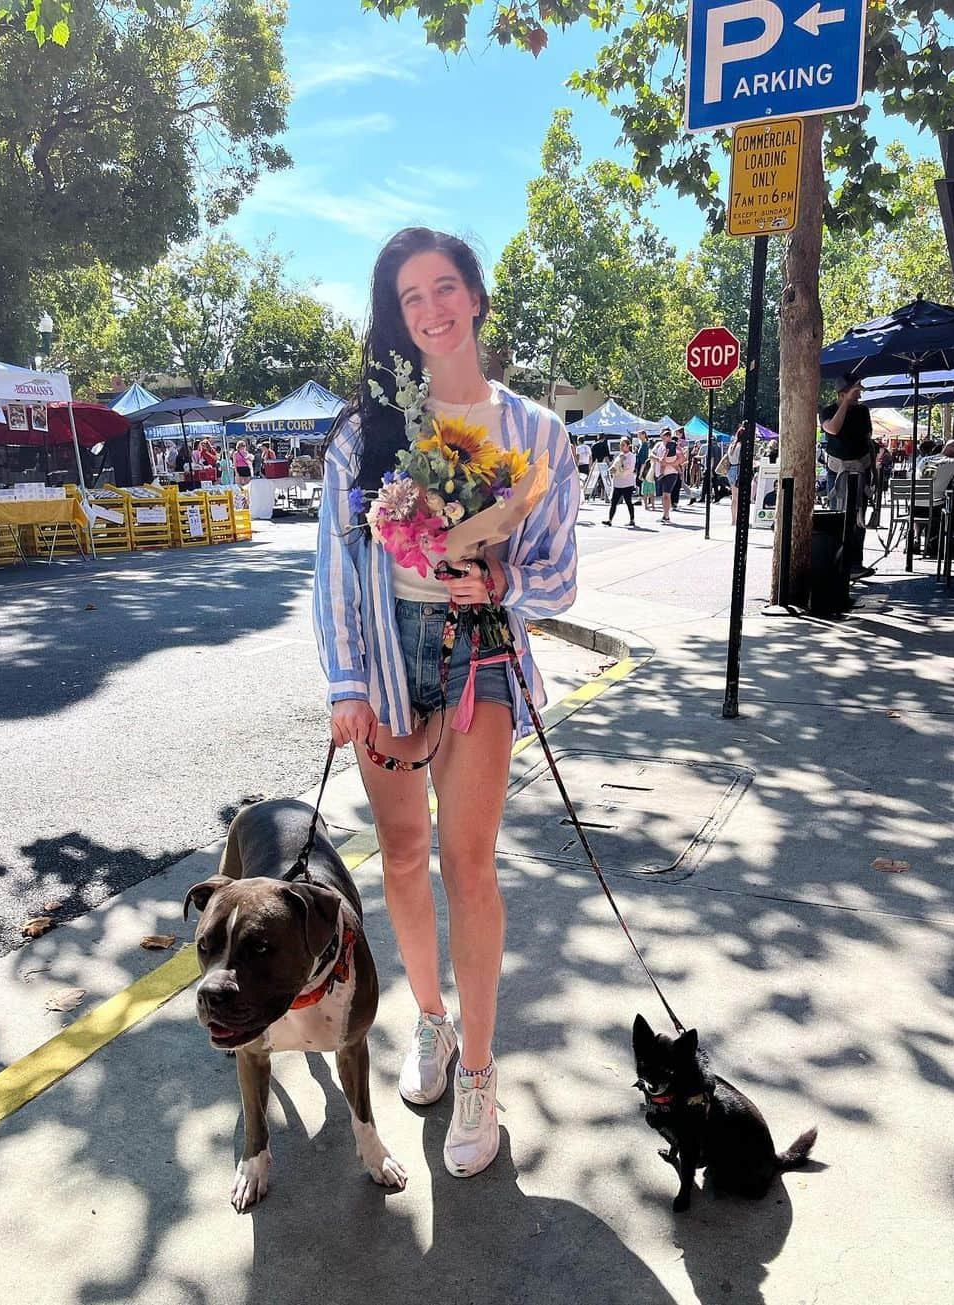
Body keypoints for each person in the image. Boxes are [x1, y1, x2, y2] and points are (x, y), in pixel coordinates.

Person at [314, 226, 579, 1179]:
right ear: (396, 316)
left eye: (444, 288)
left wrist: (501, 578)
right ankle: (427, 1023)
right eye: (408, 297)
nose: (430, 310)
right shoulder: (367, 433)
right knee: (398, 855)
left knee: (469, 865)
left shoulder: (537, 435)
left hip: (483, 659)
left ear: (475, 296)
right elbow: (338, 572)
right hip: (390, 661)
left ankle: (478, 1069)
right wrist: (345, 683)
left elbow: (559, 576)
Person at [820, 378, 876, 572]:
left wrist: (874, 469)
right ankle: (836, 563)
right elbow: (833, 429)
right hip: (837, 470)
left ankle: (855, 563)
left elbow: (868, 439)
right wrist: (845, 403)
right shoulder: (827, 411)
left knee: (859, 516)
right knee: (837, 515)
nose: (858, 397)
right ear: (841, 394)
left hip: (862, 467)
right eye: (854, 394)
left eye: (858, 394)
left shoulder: (862, 411)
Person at [651, 433, 684, 523]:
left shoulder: (674, 445)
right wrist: (658, 459)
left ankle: (666, 516)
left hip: (671, 473)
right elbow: (651, 455)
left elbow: (682, 458)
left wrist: (669, 464)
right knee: (663, 495)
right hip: (661, 473)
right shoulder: (658, 445)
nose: (664, 438)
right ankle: (665, 515)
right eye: (663, 436)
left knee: (666, 494)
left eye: (666, 436)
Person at [605, 436, 637, 527]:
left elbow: (628, 469)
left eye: (623, 445)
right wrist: (611, 470)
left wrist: (622, 463)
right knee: (613, 502)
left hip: (627, 483)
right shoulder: (619, 455)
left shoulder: (631, 456)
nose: (621, 447)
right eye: (620, 445)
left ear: (628, 446)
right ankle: (609, 520)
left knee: (628, 502)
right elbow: (614, 466)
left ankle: (632, 519)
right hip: (617, 483)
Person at [584, 433, 610, 501]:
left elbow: (592, 457)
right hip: (603, 464)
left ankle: (592, 495)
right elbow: (606, 456)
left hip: (596, 464)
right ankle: (603, 495)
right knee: (604, 480)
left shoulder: (593, 445)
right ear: (604, 438)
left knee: (594, 481)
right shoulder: (605, 445)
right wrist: (609, 465)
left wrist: (591, 466)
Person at [726, 427, 744, 524]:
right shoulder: (741, 446)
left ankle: (733, 519)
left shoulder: (732, 445)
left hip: (731, 469)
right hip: (738, 469)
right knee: (739, 497)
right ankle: (738, 519)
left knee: (734, 497)